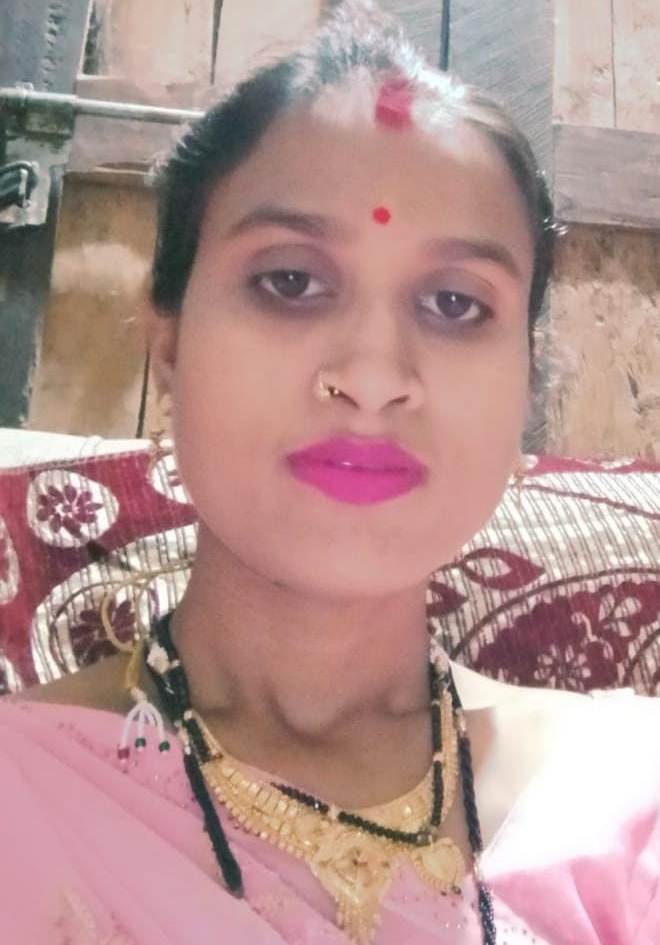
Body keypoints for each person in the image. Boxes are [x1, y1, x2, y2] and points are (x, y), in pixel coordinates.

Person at [1, 3, 658, 944]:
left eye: (454, 303)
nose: (374, 376)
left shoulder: (625, 797)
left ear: (527, 383)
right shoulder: (23, 804)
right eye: (291, 281)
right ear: (170, 342)